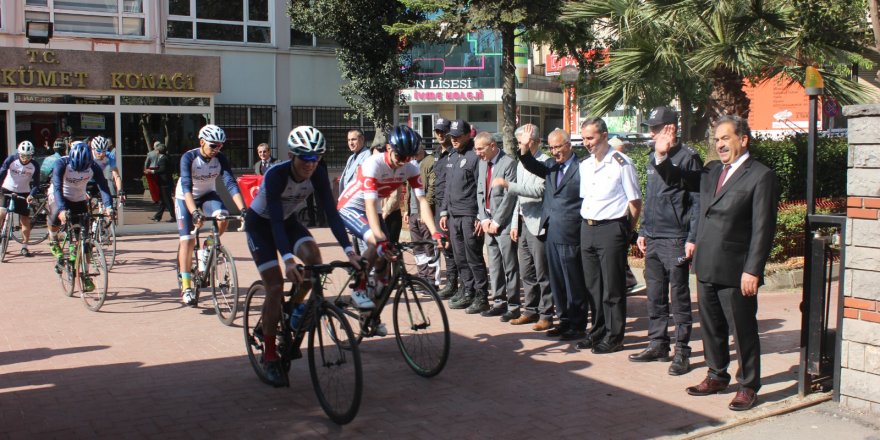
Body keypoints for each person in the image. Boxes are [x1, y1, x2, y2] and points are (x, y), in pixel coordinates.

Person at [653, 115, 778, 411]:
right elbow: (676, 178)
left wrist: (753, 269)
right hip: (707, 264)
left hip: (737, 270)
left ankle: (748, 385)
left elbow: (764, 228)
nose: (719, 144)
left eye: (725, 138)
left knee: (742, 329)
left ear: (743, 139)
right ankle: (716, 374)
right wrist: (662, 154)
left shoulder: (761, 175)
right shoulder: (710, 171)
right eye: (716, 139)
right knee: (711, 327)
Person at [245, 126, 360, 387]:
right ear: (291, 155)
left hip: (288, 222)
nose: (311, 164)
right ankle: (270, 354)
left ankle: (289, 308)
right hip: (261, 225)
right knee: (274, 285)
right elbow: (273, 220)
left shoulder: (317, 173)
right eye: (305, 158)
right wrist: (286, 259)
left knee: (315, 264)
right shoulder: (276, 174)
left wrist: (349, 251)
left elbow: (332, 214)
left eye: (316, 157)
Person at [629, 107, 702, 375]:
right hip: (655, 237)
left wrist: (692, 238)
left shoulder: (688, 157)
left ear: (671, 128)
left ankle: (682, 351)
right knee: (655, 296)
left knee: (679, 297)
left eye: (656, 127)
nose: (651, 132)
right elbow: (651, 198)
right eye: (650, 127)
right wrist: (643, 231)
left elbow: (696, 200)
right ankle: (658, 344)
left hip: (676, 238)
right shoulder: (653, 157)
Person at [338, 125, 444, 310]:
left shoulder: (410, 167)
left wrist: (435, 233)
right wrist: (379, 240)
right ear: (388, 149)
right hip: (352, 207)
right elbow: (370, 205)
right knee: (375, 242)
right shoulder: (373, 164)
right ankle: (359, 287)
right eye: (399, 157)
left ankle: (370, 316)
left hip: (374, 208)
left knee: (385, 270)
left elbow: (422, 201)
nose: (403, 162)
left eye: (408, 157)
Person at [577, 117, 642, 354]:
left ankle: (614, 336)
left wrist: (627, 231)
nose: (587, 143)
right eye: (584, 138)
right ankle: (597, 332)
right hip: (588, 227)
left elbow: (635, 202)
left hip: (612, 228)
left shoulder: (621, 163)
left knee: (612, 287)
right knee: (593, 286)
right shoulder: (585, 165)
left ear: (604, 136)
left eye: (591, 138)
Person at [518, 127, 589, 340]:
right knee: (557, 281)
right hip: (550, 231)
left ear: (569, 145)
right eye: (551, 147)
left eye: (559, 147)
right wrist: (524, 144)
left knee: (573, 282)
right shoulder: (550, 166)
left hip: (571, 231)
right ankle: (564, 320)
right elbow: (529, 163)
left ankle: (577, 325)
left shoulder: (582, 167)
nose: (555, 151)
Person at [175, 124, 247, 306]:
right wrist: (194, 213)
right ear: (202, 142)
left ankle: (207, 247)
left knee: (223, 219)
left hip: (207, 195)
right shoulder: (189, 158)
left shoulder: (220, 158)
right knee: (187, 240)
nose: (217, 149)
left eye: (220, 146)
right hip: (186, 198)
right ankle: (186, 287)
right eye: (213, 145)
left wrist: (243, 210)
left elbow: (230, 183)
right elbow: (186, 187)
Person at [494, 123, 554, 330]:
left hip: (538, 223)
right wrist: (514, 223)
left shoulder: (546, 162)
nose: (520, 147)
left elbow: (538, 191)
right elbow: (518, 197)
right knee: (526, 272)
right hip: (523, 222)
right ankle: (530, 310)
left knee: (542, 272)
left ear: (535, 141)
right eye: (519, 144)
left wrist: (508, 185)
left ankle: (546, 314)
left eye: (523, 143)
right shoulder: (522, 162)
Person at [439, 120, 491, 314]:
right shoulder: (452, 156)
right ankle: (467, 290)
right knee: (460, 257)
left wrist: (480, 215)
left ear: (468, 135)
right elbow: (446, 188)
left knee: (474, 257)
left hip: (470, 215)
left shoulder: (475, 156)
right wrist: (444, 211)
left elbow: (483, 188)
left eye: (458, 136)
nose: (454, 140)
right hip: (453, 215)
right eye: (452, 136)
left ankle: (481, 295)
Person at [47, 141, 114, 291]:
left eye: (82, 168)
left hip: (78, 198)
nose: (79, 171)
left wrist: (109, 206)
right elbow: (57, 187)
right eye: (77, 168)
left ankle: (85, 275)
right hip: (60, 196)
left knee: (86, 241)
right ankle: (53, 240)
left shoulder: (93, 167)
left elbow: (103, 187)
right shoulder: (61, 164)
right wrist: (62, 210)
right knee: (55, 215)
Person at [474, 132, 520, 321]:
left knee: (509, 265)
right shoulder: (483, 163)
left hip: (504, 223)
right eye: (476, 149)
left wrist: (497, 221)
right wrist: (484, 219)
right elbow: (479, 192)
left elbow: (510, 196)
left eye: (480, 149)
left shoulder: (508, 163)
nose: (477, 153)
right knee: (494, 266)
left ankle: (514, 305)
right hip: (488, 223)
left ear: (492, 145)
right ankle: (499, 302)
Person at [431, 118, 460, 301]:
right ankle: (451, 284)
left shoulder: (454, 153)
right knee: (444, 246)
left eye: (443, 131)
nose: (440, 134)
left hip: (451, 206)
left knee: (455, 247)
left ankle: (459, 285)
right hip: (438, 206)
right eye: (438, 131)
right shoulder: (436, 153)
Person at [402, 143, 438, 283]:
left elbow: (432, 188)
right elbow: (407, 188)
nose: (414, 151)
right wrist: (406, 209)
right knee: (417, 248)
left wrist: (425, 211)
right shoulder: (411, 163)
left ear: (422, 147)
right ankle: (422, 277)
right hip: (412, 212)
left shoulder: (430, 161)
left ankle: (432, 279)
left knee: (429, 246)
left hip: (424, 213)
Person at [0, 141, 41, 257]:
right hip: (7, 189)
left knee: (24, 220)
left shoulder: (34, 165)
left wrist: (31, 194)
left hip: (24, 192)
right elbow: (2, 173)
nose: (25, 159)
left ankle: (24, 246)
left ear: (32, 155)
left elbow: (36, 183)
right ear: (19, 154)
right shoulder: (11, 160)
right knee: (1, 212)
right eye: (22, 156)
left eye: (28, 156)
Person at [90, 136, 126, 204]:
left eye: (104, 151)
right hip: (87, 180)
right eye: (98, 151)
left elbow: (117, 176)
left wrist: (120, 191)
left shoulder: (110, 156)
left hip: (100, 179)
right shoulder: (88, 156)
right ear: (93, 149)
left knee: (109, 205)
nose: (102, 154)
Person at [145, 143, 175, 222]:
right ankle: (158, 216)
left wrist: (151, 171)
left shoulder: (163, 159)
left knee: (167, 200)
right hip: (165, 182)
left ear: (158, 151)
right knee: (163, 201)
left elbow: (162, 170)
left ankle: (174, 216)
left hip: (164, 183)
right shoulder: (166, 157)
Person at [339, 129, 371, 196]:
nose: (350, 143)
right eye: (349, 140)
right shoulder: (351, 158)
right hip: (347, 198)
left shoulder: (368, 155)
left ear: (362, 139)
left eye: (353, 139)